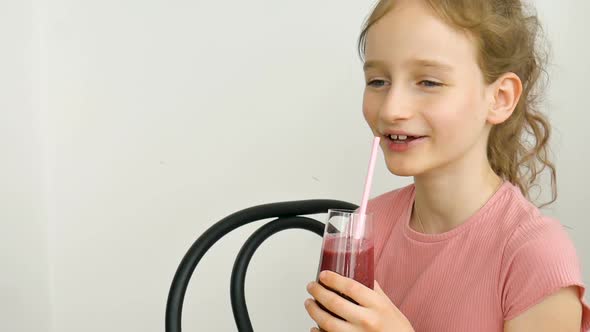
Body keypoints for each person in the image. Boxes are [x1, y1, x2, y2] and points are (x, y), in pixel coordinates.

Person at [304, 0, 590, 331]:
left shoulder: (535, 256)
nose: (392, 108)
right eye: (378, 81)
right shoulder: (369, 227)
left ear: (500, 98)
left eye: (428, 82)